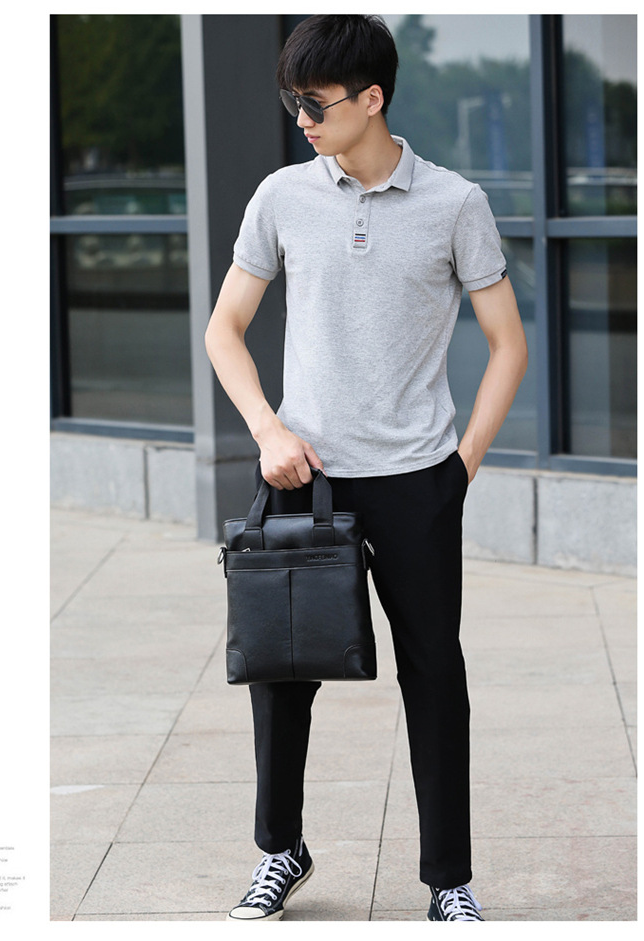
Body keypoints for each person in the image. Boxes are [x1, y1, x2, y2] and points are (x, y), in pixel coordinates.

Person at [205, 14, 527, 923]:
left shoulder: (454, 203)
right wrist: (267, 429)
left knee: (435, 675)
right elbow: (225, 329)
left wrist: (460, 468)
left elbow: (508, 343)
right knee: (280, 673)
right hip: (299, 475)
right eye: (293, 103)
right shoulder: (281, 196)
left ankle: (449, 880)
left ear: (372, 98)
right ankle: (281, 850)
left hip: (418, 479)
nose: (301, 120)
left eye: (316, 104)